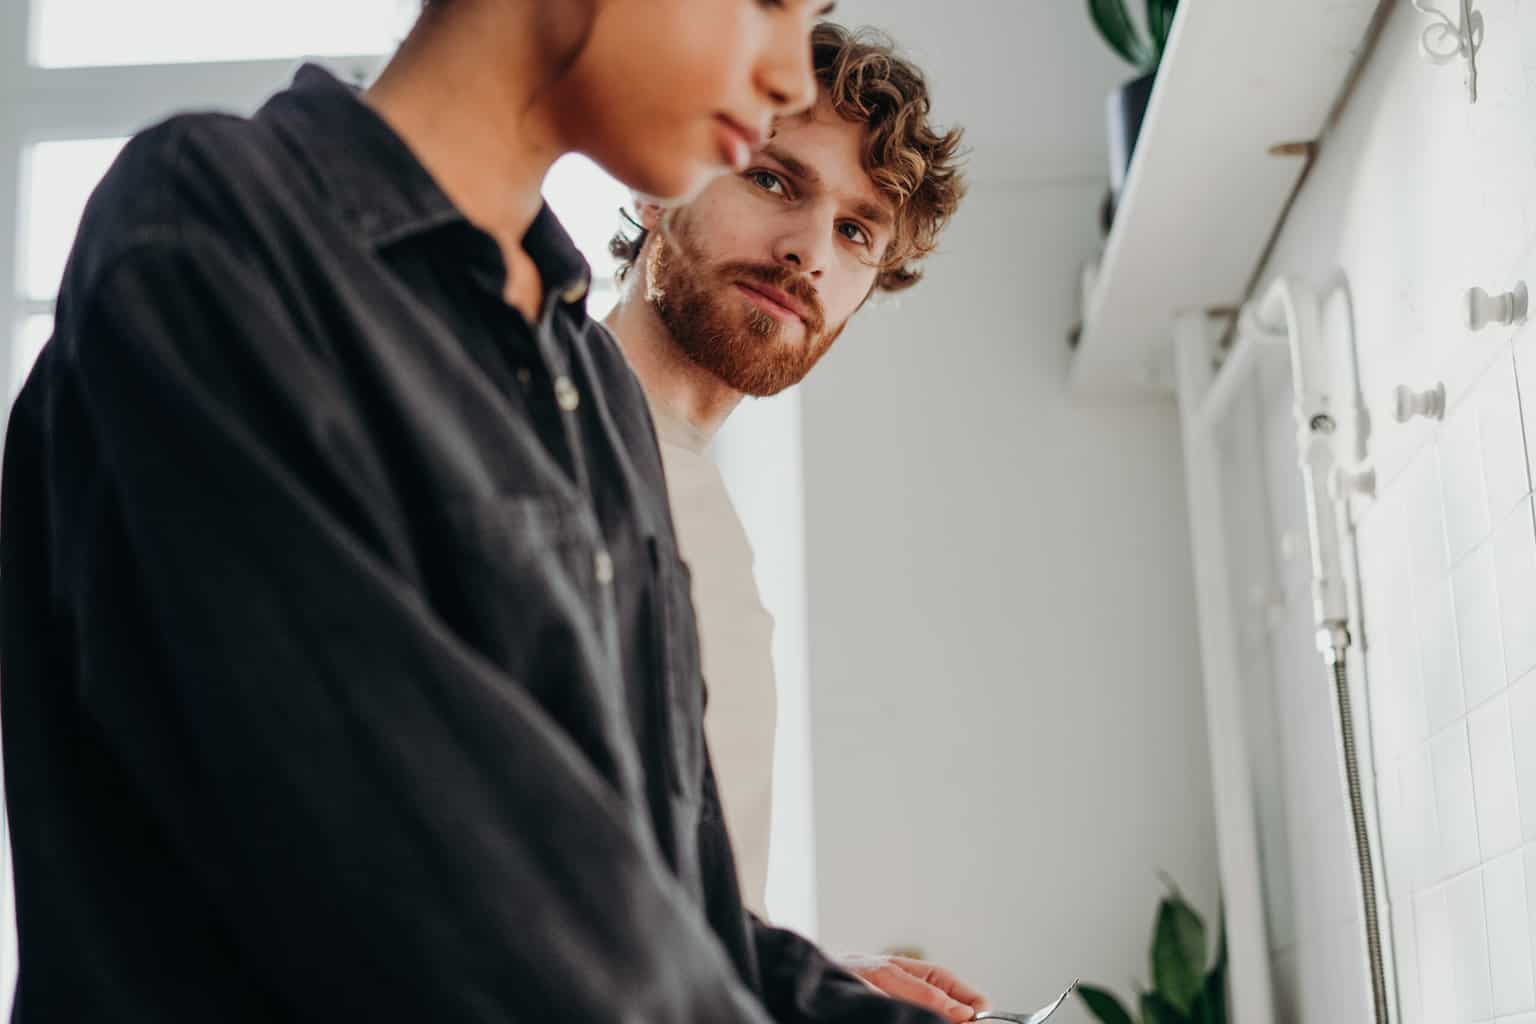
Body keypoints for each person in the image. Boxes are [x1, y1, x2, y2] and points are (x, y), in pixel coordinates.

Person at [0, 2, 952, 1021]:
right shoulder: (215, 230)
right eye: (766, 4)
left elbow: (686, 911)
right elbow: (443, 887)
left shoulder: (583, 378)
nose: (777, 74)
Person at [603, 21, 977, 1023]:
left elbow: (664, 896)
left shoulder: (696, 499)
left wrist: (797, 974)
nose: (809, 251)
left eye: (857, 233)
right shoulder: (538, 444)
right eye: (775, 179)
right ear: (654, 179)